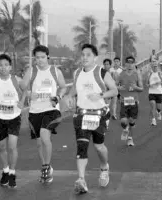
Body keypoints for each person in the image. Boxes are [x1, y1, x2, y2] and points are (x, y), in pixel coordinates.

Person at [66, 44, 118, 194]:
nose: (84, 57)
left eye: (88, 55)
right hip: (82, 114)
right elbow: (74, 89)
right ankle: (81, 179)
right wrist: (70, 96)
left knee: (98, 146)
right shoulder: (77, 73)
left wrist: (100, 95)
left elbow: (114, 90)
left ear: (95, 57)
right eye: (82, 55)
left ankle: (104, 167)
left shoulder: (101, 72)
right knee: (82, 146)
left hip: (99, 115)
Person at [20, 45, 67, 183]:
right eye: (37, 58)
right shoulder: (32, 71)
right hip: (35, 111)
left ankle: (46, 168)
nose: (39, 60)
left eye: (42, 57)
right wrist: (28, 92)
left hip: (51, 110)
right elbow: (22, 86)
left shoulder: (55, 71)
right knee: (39, 143)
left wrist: (58, 97)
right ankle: (45, 165)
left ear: (48, 57)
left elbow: (63, 87)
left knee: (45, 136)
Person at [0, 54, 26, 188]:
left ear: (10, 67)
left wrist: (22, 101)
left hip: (14, 117)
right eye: (0, 65)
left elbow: (26, 89)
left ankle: (13, 173)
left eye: (6, 65)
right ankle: (5, 171)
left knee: (12, 146)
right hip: (0, 118)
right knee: (1, 147)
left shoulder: (16, 80)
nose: (3, 67)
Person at [117, 56, 143, 146]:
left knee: (132, 121)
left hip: (134, 101)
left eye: (132, 62)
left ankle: (130, 139)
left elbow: (142, 88)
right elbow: (114, 86)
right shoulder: (121, 74)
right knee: (123, 121)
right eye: (128, 62)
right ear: (125, 64)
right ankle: (125, 129)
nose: (130, 64)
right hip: (124, 101)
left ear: (134, 64)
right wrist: (119, 87)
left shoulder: (137, 74)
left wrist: (136, 87)